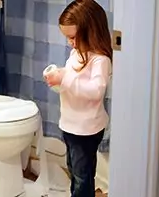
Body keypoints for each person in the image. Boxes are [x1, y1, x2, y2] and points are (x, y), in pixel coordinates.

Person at [43, 0, 112, 196]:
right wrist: (59, 74)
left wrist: (64, 79)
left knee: (82, 175)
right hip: (70, 124)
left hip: (86, 129)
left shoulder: (100, 60)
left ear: (91, 31)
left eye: (72, 37)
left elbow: (95, 90)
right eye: (67, 38)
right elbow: (73, 76)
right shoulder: (77, 53)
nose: (70, 43)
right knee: (75, 170)